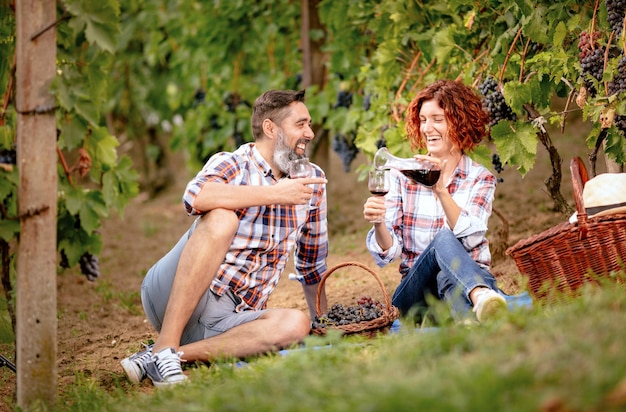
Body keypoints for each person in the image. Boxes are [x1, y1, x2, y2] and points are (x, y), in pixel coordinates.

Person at [121, 89, 329, 387]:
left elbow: (311, 262)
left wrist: (323, 323)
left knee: (297, 324)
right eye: (301, 124)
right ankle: (166, 343)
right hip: (173, 296)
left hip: (231, 320)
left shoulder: (312, 181)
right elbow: (194, 196)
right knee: (221, 218)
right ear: (271, 128)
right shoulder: (233, 162)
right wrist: (274, 194)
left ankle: (167, 356)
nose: (310, 132)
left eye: (309, 124)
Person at [362, 79, 507, 325]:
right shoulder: (401, 176)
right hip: (416, 293)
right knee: (443, 240)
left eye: (437, 119)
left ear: (460, 123)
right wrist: (378, 224)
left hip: (468, 277)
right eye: (423, 120)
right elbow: (389, 253)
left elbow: (471, 239)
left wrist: (440, 190)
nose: (427, 128)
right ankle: (480, 296)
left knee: (447, 278)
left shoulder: (480, 178)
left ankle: (468, 323)